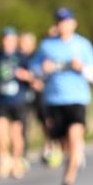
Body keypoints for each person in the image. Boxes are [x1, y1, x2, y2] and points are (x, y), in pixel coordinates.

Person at [32, 8, 93, 185]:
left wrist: (82, 68)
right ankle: (74, 158)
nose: (63, 25)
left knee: (74, 137)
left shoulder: (82, 45)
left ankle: (67, 183)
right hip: (54, 100)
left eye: (66, 21)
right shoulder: (47, 46)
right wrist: (41, 69)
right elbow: (34, 70)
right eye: (59, 21)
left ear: (73, 23)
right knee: (64, 145)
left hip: (77, 99)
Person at [0, 27, 33, 179]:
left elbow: (32, 76)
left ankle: (17, 161)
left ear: (15, 41)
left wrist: (24, 75)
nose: (5, 42)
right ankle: (4, 158)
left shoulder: (22, 57)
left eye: (9, 39)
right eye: (4, 38)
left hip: (18, 100)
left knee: (16, 134)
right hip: (2, 99)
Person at [35, 25, 63, 168]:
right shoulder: (44, 49)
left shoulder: (68, 48)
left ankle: (61, 147)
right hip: (46, 95)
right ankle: (49, 145)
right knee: (46, 122)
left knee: (61, 123)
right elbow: (34, 68)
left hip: (63, 95)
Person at [18, 31, 40, 159]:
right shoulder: (17, 57)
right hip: (24, 96)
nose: (24, 46)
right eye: (22, 42)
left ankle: (51, 146)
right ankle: (23, 153)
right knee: (24, 124)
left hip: (40, 95)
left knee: (46, 122)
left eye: (28, 43)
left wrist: (34, 80)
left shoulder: (38, 56)